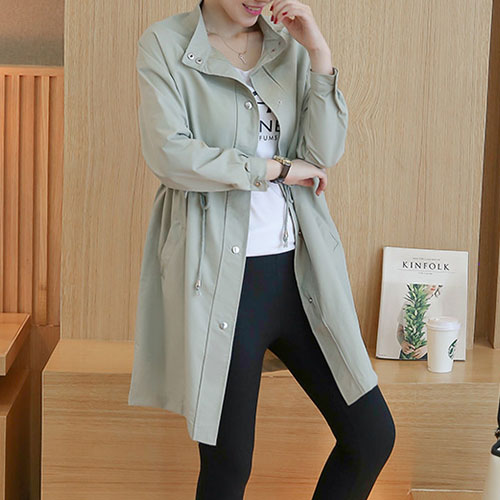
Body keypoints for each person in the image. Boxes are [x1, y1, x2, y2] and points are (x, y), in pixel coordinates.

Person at [130, 0, 396, 498]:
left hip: (301, 273)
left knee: (371, 435)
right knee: (229, 466)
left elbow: (321, 154)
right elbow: (170, 155)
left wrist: (318, 53)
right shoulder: (165, 45)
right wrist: (273, 169)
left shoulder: (287, 47)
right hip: (220, 281)